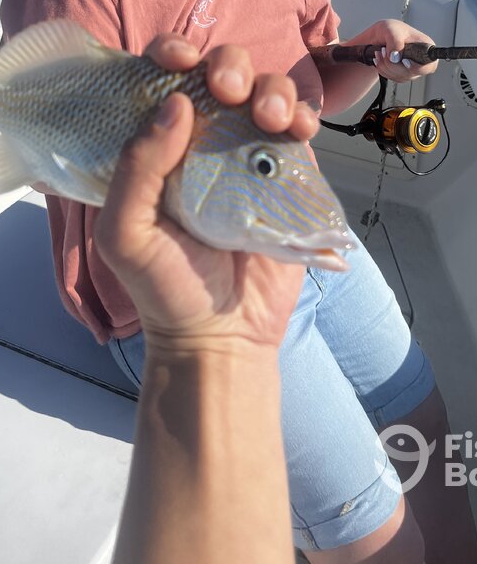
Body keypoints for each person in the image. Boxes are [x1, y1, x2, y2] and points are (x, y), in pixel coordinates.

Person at [0, 0, 477, 563]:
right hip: (183, 291)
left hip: (302, 230)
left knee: (427, 427)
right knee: (378, 538)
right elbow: (49, 143)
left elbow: (310, 95)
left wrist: (367, 56)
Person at [99, 36, 308, 564]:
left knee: (422, 412)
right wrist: (212, 342)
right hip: (215, 261)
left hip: (278, 247)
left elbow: (317, 68)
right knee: (385, 537)